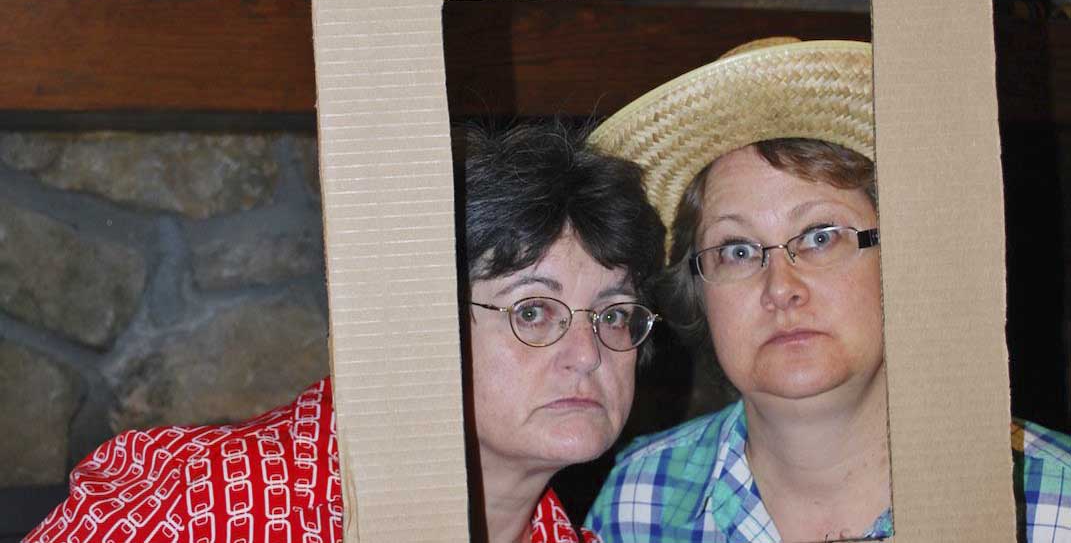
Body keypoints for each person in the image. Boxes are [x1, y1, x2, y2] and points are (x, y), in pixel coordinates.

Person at [24, 121, 666, 543]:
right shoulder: (194, 502)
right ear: (418, 323)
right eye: (532, 312)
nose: (587, 355)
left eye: (613, 314)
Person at [584, 37, 1071, 542]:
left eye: (820, 237)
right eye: (737, 250)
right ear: (699, 292)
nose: (781, 288)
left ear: (904, 262)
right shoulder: (636, 507)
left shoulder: (1051, 507)